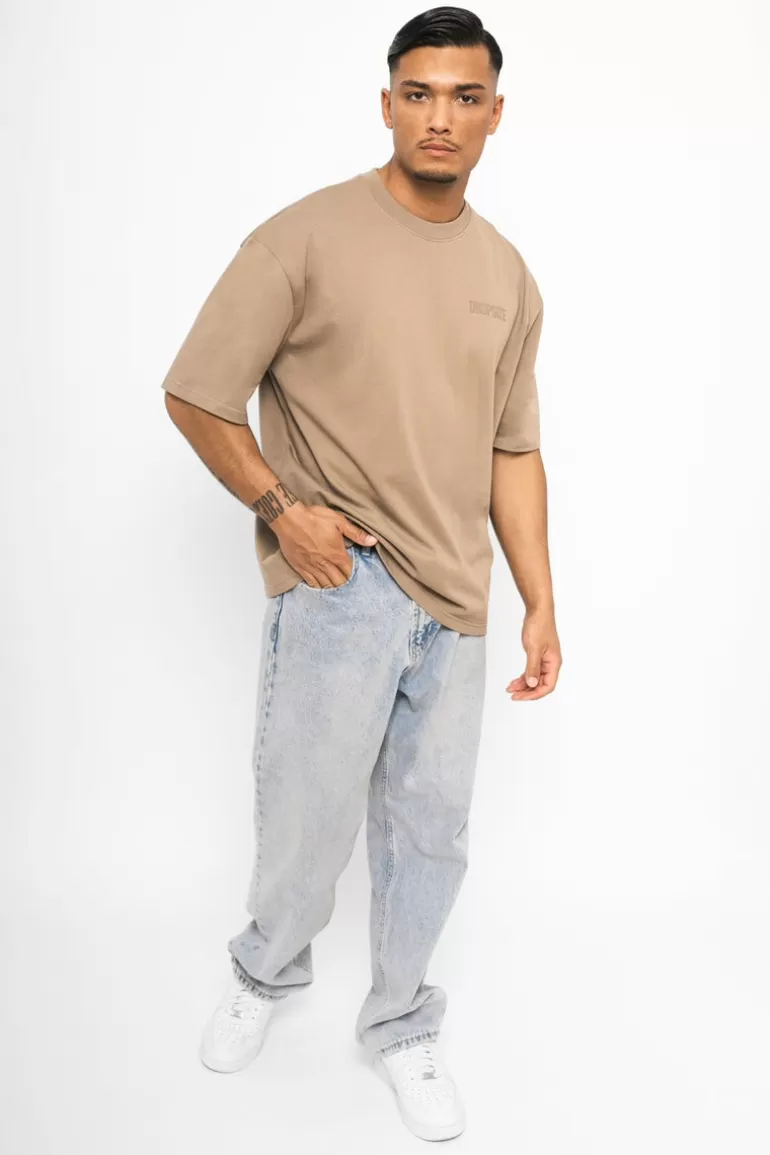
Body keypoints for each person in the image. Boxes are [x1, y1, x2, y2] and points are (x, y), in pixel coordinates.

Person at [161, 5, 562, 1143]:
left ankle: (399, 1024)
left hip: (458, 595)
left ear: (494, 115)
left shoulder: (506, 275)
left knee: (430, 830)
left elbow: (512, 449)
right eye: (419, 93)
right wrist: (281, 513)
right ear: (387, 103)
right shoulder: (304, 238)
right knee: (308, 813)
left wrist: (540, 599)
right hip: (344, 581)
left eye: (464, 97)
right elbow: (196, 391)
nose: (440, 117)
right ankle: (263, 972)